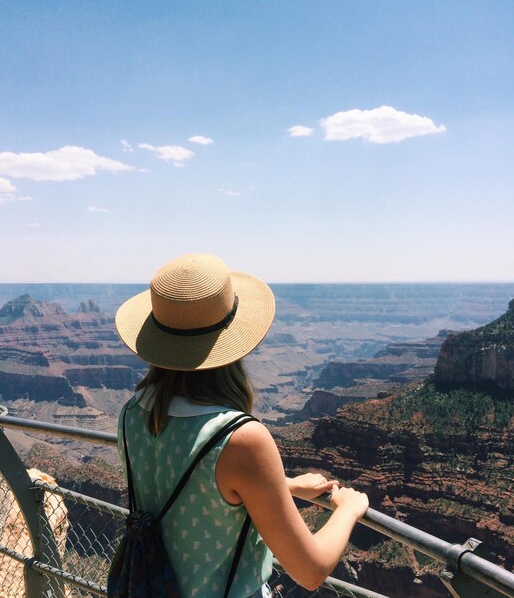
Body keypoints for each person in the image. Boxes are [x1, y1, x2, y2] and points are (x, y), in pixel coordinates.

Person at [115, 253, 369, 598]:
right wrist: (349, 510)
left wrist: (285, 487)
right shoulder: (240, 438)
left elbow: (198, 494)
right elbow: (310, 570)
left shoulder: (133, 411)